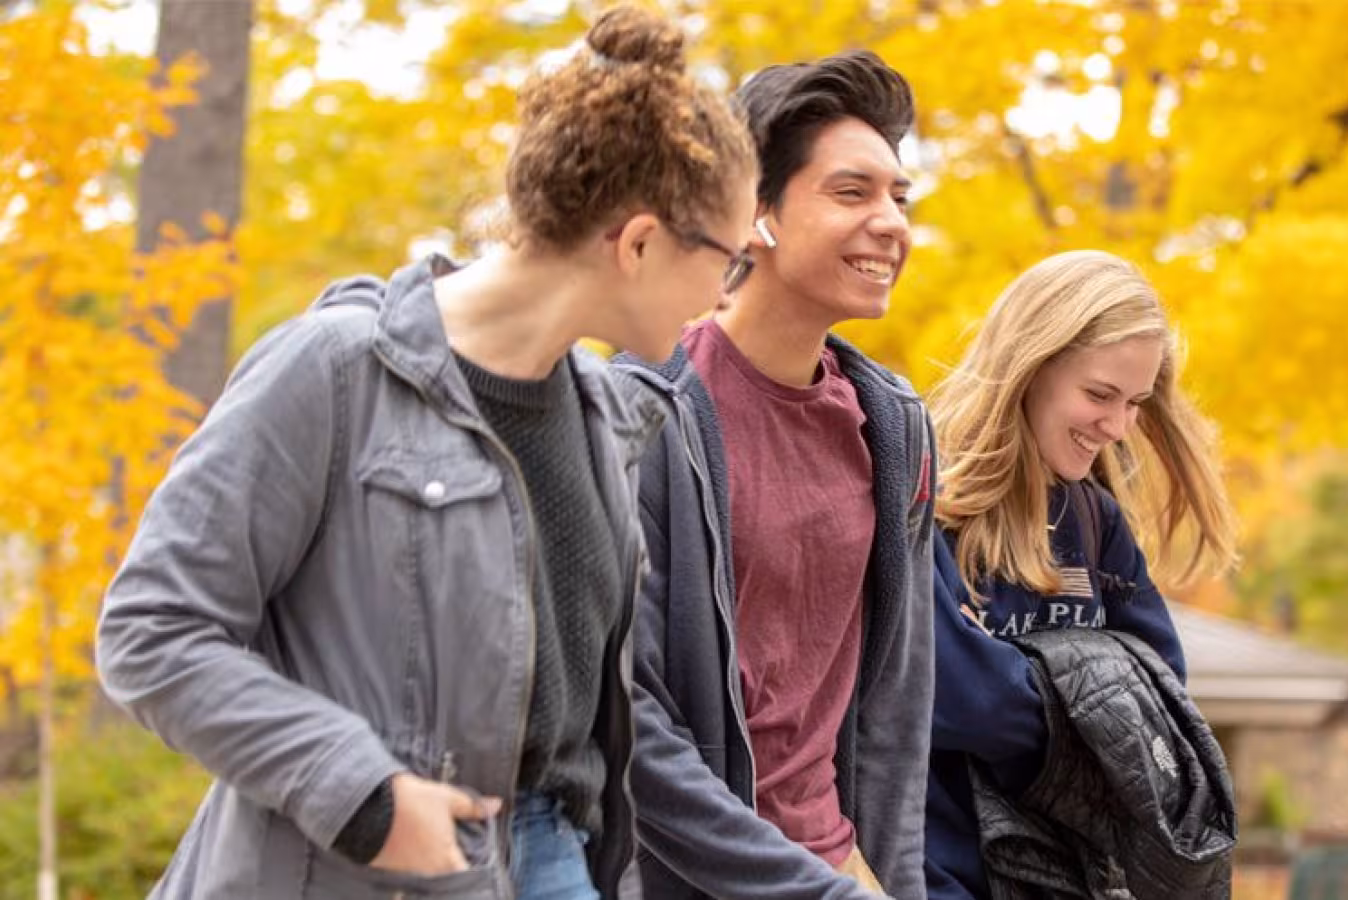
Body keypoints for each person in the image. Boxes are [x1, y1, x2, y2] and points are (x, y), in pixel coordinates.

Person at [94, 8, 757, 898]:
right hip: (354, 864)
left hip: (551, 860)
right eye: (730, 260)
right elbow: (152, 629)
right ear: (638, 243)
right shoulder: (333, 370)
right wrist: (362, 793)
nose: (725, 297)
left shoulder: (607, 424)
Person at [611, 50, 935, 900]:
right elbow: (630, 718)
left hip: (840, 867)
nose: (891, 223)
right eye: (851, 192)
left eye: (899, 199)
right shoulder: (644, 412)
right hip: (694, 877)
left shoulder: (894, 428)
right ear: (759, 213)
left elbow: (897, 710)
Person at [922, 250, 1238, 900]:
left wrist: (1034, 688)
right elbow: (953, 695)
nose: (1118, 426)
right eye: (1099, 395)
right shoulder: (927, 503)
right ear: (1029, 367)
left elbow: (1158, 697)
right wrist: (1089, 696)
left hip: (1074, 880)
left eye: (1134, 403)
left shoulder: (1098, 523)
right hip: (940, 873)